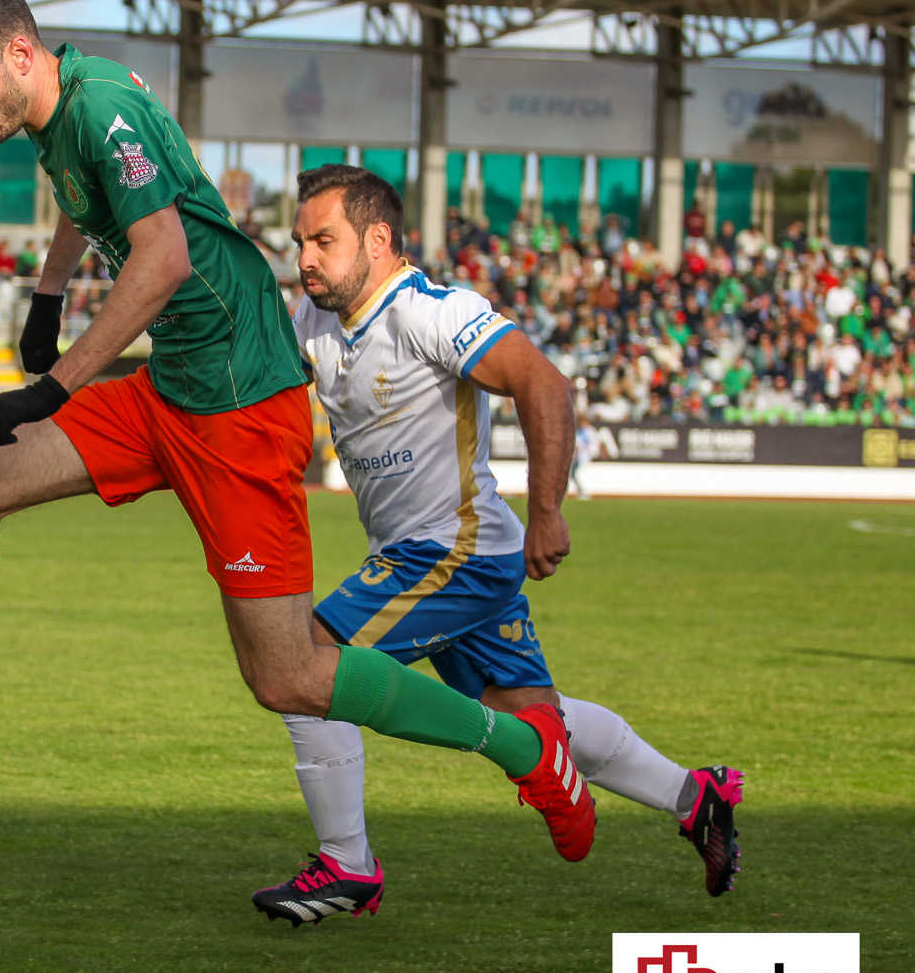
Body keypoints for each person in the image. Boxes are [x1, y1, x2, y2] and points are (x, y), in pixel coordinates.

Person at [0, 0, 594, 871]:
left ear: (19, 53)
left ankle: (524, 747)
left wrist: (54, 385)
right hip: (172, 386)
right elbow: (85, 198)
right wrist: (48, 293)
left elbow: (164, 258)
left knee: (289, 675)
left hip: (240, 400)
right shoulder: (58, 108)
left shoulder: (104, 107)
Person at [252, 166, 741, 924]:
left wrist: (548, 512)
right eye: (299, 242)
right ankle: (694, 795)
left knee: (306, 666)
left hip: (454, 550)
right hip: (439, 558)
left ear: (377, 240)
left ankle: (348, 865)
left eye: (323, 240)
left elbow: (544, 383)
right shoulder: (312, 320)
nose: (305, 258)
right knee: (532, 715)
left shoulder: (431, 311)